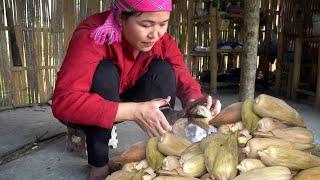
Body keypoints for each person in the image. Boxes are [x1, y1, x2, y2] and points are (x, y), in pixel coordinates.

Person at [52, 0, 221, 179]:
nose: (155, 34)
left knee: (163, 70)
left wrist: (196, 102)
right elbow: (64, 102)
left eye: (163, 24)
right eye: (145, 24)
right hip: (87, 108)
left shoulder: (161, 40)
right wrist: (133, 111)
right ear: (121, 17)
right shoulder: (93, 34)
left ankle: (164, 149)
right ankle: (98, 164)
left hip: (125, 96)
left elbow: (181, 74)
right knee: (104, 73)